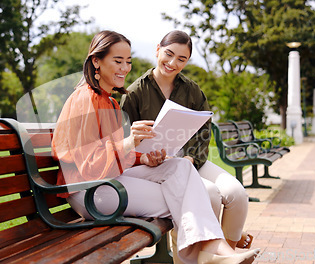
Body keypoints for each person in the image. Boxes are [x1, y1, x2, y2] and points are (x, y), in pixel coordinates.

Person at [51, 30, 259, 264]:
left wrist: (143, 159)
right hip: (89, 191)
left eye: (128, 61)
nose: (125, 68)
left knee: (180, 167)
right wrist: (129, 143)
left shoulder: (108, 101)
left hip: (109, 179)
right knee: (193, 195)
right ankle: (216, 251)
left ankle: (214, 251)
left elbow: (114, 155)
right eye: (117, 61)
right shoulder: (84, 99)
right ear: (96, 61)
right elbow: (85, 164)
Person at [120, 30, 253, 262]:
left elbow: (203, 131)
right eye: (169, 54)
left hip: (191, 160)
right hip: (155, 167)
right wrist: (147, 157)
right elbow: (124, 142)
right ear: (157, 49)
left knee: (236, 194)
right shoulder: (134, 93)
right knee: (210, 193)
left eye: (181, 59)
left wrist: (191, 158)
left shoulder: (192, 90)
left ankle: (226, 257)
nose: (172, 63)